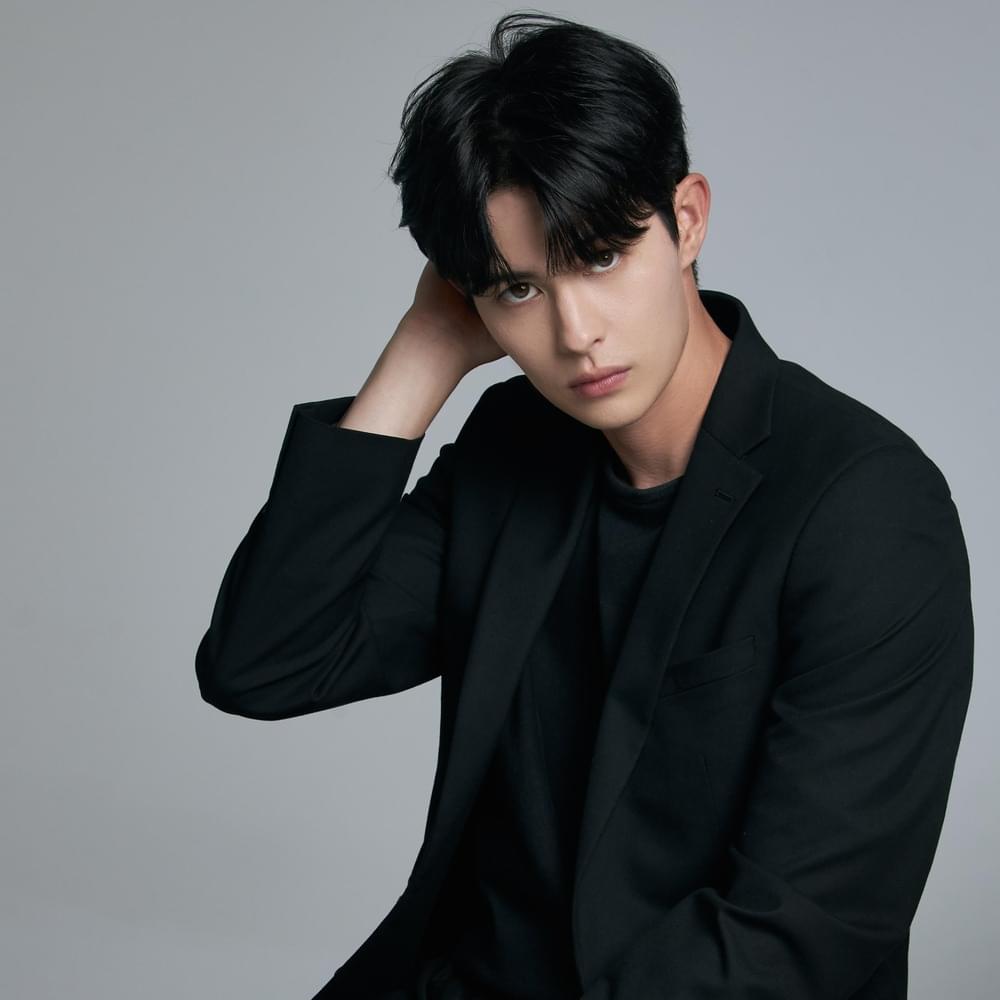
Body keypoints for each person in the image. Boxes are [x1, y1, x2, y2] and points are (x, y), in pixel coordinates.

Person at [195, 11, 974, 1000]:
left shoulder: (864, 508)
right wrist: (421, 357)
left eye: (601, 255)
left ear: (687, 219)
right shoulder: (514, 445)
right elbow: (267, 664)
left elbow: (793, 939)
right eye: (518, 290)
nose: (576, 333)